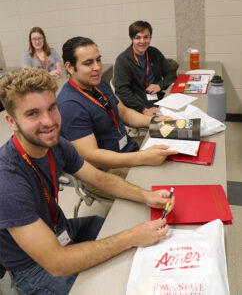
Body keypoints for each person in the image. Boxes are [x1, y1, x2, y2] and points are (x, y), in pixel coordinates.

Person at [0, 67, 174, 295]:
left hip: (60, 231)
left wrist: (146, 196)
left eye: (52, 108)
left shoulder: (56, 144)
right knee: (114, 282)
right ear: (11, 121)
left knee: (127, 233)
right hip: (34, 268)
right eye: (33, 113)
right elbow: (57, 262)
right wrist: (130, 238)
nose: (48, 121)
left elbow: (99, 178)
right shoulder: (7, 181)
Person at [57, 37, 177, 198]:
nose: (97, 67)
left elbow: (124, 113)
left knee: (174, 152)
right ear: (70, 67)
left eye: (98, 60)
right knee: (165, 183)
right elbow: (92, 155)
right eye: (88, 63)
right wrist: (142, 158)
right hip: (103, 171)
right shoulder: (70, 105)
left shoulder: (97, 85)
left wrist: (155, 122)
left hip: (127, 148)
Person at [114, 20, 177, 116]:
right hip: (139, 104)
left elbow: (171, 73)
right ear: (132, 39)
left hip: (158, 98)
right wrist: (143, 110)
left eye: (146, 37)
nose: (142, 41)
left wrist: (160, 85)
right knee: (169, 124)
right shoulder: (123, 60)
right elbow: (122, 91)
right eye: (138, 38)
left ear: (150, 38)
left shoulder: (154, 52)